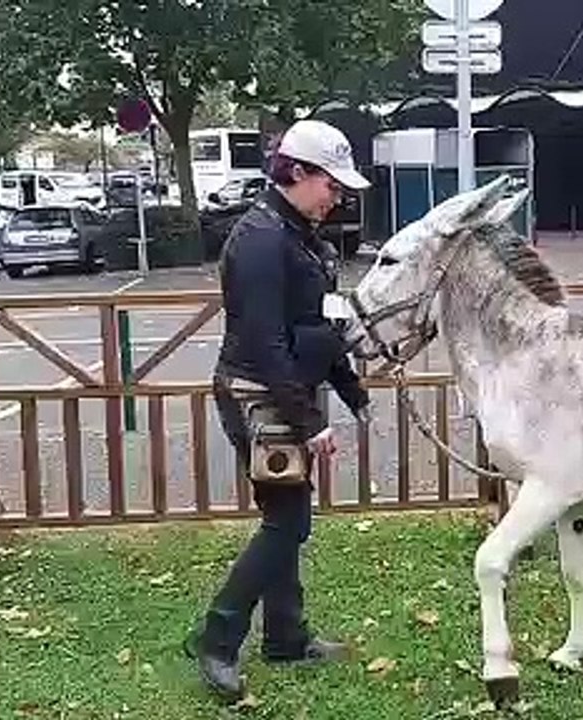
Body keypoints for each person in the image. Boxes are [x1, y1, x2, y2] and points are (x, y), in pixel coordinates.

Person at [187, 119, 372, 701]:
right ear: (295, 172)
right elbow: (266, 340)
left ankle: (286, 639)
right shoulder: (262, 239)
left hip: (282, 391)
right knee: (287, 520)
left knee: (286, 518)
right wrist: (311, 421)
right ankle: (216, 639)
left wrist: (351, 391)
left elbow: (320, 327)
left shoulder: (299, 235)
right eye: (331, 184)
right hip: (257, 396)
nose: (337, 197)